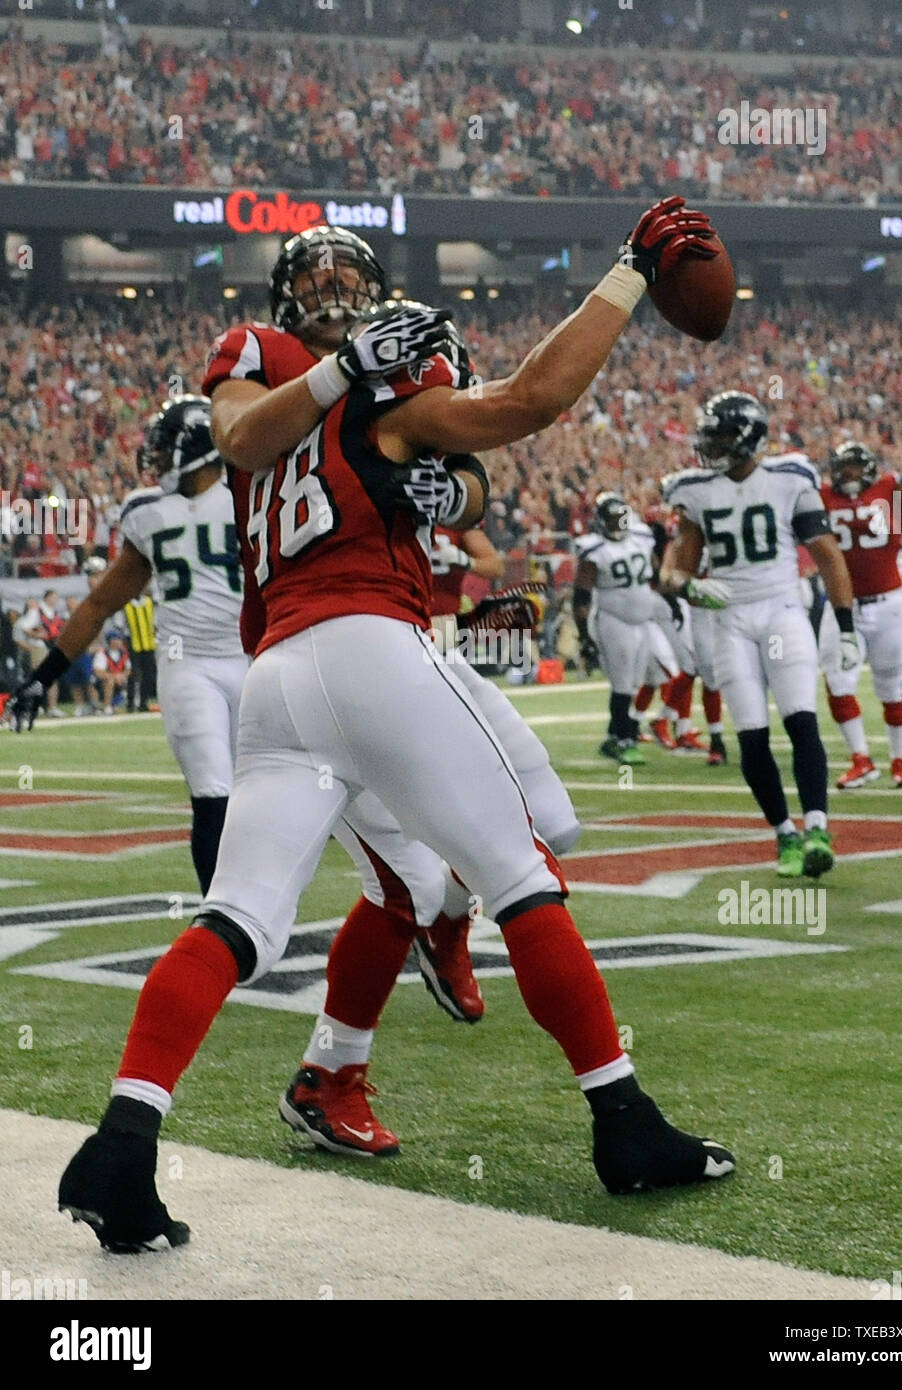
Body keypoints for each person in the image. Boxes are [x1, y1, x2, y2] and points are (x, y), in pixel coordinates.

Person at [58, 196, 736, 1253]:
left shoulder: (320, 376)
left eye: (348, 278)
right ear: (295, 303)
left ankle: (122, 1143)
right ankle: (624, 1122)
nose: (332, 293)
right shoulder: (313, 372)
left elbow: (432, 468)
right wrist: (627, 276)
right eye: (316, 277)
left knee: (238, 917)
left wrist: (452, 493)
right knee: (522, 871)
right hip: (374, 646)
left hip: (277, 674)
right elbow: (531, 400)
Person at [8, 398, 248, 893]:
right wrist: (43, 676)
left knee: (271, 793)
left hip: (257, 660)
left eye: (164, 449)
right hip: (190, 667)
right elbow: (100, 605)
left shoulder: (249, 494)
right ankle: (221, 921)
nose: (153, 461)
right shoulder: (147, 512)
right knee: (212, 791)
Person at [660, 394, 860, 878]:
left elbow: (829, 556)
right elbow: (672, 570)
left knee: (801, 721)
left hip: (782, 610)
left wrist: (847, 627)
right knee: (751, 734)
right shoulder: (697, 490)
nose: (711, 444)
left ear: (748, 436)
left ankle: (816, 826)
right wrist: (690, 585)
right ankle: (785, 835)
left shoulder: (790, 479)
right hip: (730, 620)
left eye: (722, 435)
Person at [817, 381, 902, 789]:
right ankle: (861, 758)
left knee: (892, 684)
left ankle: (900, 762)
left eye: (855, 468)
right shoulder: (820, 496)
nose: (848, 476)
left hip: (888, 602)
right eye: (843, 469)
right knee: (837, 681)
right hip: (841, 604)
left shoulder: (890, 491)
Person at [573, 490, 676, 766]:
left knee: (636, 682)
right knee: (622, 685)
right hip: (612, 620)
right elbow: (581, 595)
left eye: (622, 518)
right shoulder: (594, 549)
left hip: (643, 620)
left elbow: (654, 573)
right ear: (601, 521)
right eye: (613, 519)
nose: (619, 524)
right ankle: (625, 740)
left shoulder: (640, 538)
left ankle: (614, 737)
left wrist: (671, 602)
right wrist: (584, 637)